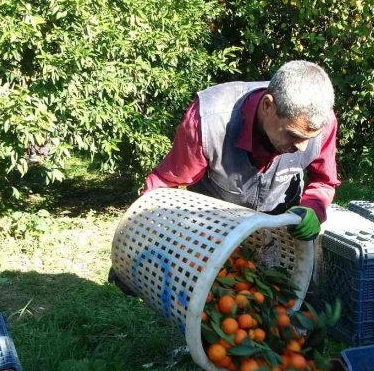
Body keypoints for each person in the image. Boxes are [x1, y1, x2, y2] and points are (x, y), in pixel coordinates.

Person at [142, 60, 340, 241]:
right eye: (293, 135)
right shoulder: (209, 121)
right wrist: (146, 229)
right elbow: (164, 184)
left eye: (309, 138)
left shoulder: (322, 123)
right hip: (213, 232)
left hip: (278, 229)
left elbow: (324, 181)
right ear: (267, 106)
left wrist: (313, 208)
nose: (302, 147)